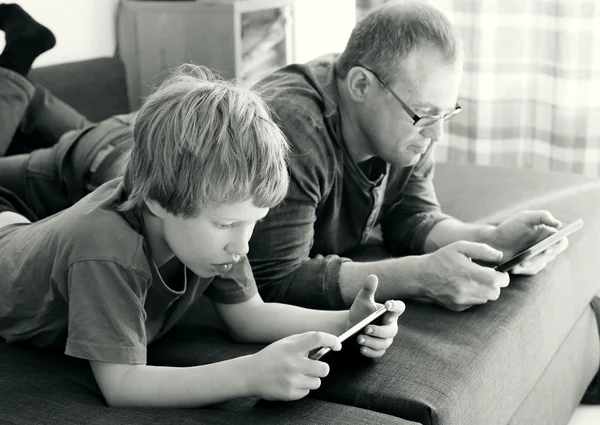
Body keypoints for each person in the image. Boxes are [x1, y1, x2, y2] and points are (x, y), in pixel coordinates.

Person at [0, 5, 405, 408]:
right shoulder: (107, 250)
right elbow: (122, 384)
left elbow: (248, 316)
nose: (243, 246)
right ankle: (15, 66)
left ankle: (22, 86)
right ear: (158, 202)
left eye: (252, 223)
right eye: (228, 224)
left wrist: (346, 321)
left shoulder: (223, 232)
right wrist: (248, 374)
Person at [243, 0, 570, 312]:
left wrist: (490, 240)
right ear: (360, 85)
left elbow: (411, 216)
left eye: (445, 114)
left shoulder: (406, 121)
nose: (436, 135)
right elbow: (276, 280)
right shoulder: (291, 129)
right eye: (425, 115)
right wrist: (419, 277)